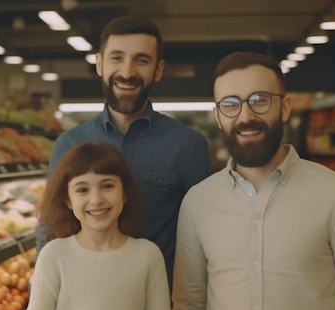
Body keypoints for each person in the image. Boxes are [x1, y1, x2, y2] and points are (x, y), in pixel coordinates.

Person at [172, 51, 335, 310]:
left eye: (260, 100)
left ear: (285, 107)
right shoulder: (198, 203)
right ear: (218, 116)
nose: (246, 116)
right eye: (231, 104)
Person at [35, 16, 214, 290]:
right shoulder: (69, 143)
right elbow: (49, 228)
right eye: (116, 58)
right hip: (81, 303)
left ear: (158, 70)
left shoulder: (188, 146)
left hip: (160, 309)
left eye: (141, 60)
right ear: (99, 64)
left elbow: (206, 238)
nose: (127, 72)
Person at [23, 142, 173, 310]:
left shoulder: (147, 255)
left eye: (107, 186)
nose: (96, 199)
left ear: (125, 193)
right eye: (82, 189)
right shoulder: (54, 255)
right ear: (68, 199)